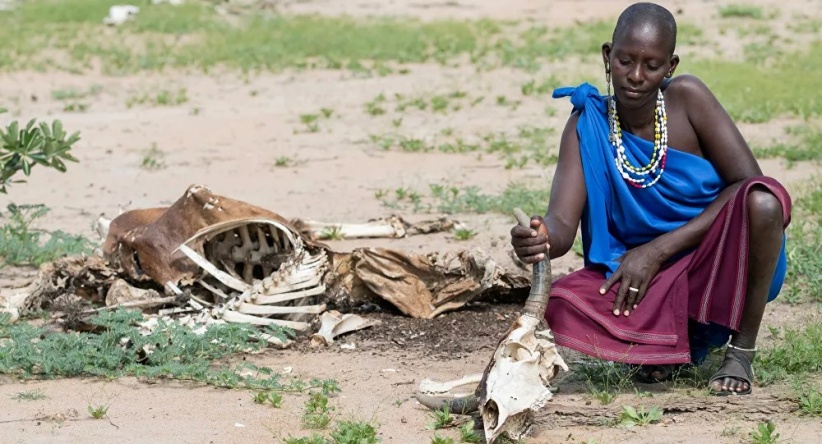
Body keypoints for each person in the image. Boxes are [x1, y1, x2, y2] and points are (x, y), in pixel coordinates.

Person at [510, 2, 792, 396]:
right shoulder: (585, 124)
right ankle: (676, 348)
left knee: (763, 202)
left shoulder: (688, 100)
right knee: (560, 303)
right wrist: (539, 238)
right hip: (646, 280)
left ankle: (740, 351)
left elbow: (749, 186)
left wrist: (658, 249)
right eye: (625, 61)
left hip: (718, 260)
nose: (636, 77)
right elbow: (560, 224)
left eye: (652, 65)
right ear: (608, 56)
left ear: (670, 67)